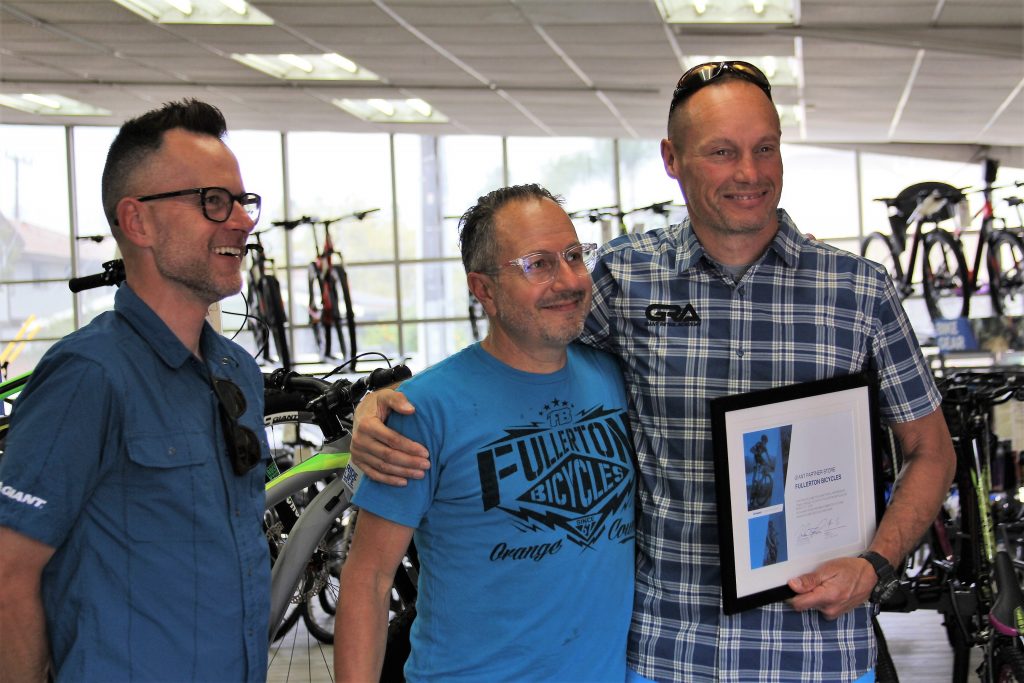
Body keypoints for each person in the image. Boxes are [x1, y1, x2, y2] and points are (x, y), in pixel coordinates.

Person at [348, 61, 956, 682]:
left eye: (764, 148)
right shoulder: (622, 277)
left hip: (817, 654)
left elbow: (931, 452)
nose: (749, 172)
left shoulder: (858, 290)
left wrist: (875, 565)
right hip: (666, 656)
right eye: (722, 152)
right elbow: (517, 349)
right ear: (672, 159)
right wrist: (387, 401)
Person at [0, 99, 270, 682]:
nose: (243, 221)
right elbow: (7, 572)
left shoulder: (235, 372)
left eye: (243, 202)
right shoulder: (88, 376)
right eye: (213, 201)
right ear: (138, 221)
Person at [334, 184, 636, 681]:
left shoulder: (614, 377)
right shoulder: (423, 410)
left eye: (574, 256)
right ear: (484, 290)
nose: (569, 280)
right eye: (537, 264)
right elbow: (368, 580)